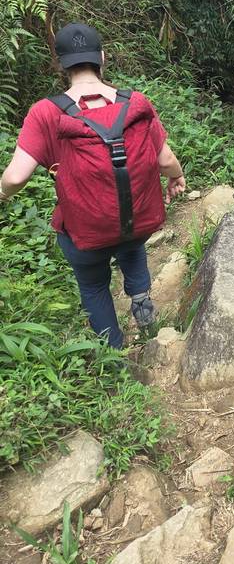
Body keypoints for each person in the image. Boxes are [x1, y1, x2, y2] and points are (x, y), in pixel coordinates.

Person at [0, 23, 186, 349]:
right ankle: (143, 308)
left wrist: (2, 194)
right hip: (135, 223)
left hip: (84, 231)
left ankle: (112, 356)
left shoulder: (46, 113)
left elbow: (16, 177)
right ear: (102, 58)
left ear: (60, 64)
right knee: (130, 241)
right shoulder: (135, 103)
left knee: (94, 287)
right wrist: (176, 177)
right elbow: (166, 159)